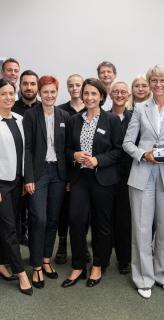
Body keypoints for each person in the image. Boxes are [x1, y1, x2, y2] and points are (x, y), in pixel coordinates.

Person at [123, 65, 164, 299]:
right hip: (142, 173)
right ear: (149, 84)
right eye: (154, 80)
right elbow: (128, 142)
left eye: (163, 80)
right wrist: (144, 154)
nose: (159, 84)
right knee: (141, 228)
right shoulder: (140, 108)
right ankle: (143, 277)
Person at [62, 78, 123, 288]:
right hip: (80, 179)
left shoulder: (112, 120)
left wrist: (99, 160)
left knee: (102, 224)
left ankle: (98, 264)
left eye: (93, 94)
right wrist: (75, 154)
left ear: (101, 96)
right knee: (76, 221)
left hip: (103, 179)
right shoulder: (74, 120)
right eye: (86, 93)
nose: (89, 97)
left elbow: (118, 150)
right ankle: (78, 265)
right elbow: (67, 150)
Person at [23, 75, 69, 289]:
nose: (49, 95)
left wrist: (67, 177)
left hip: (58, 174)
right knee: (38, 219)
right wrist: (29, 178)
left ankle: (46, 260)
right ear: (40, 93)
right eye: (45, 92)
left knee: (52, 219)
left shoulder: (64, 115)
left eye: (53, 91)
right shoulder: (31, 116)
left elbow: (66, 148)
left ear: (57, 93)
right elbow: (27, 148)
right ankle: (36, 266)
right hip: (39, 173)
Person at [0, 79, 32, 295]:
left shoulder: (20, 119)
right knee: (9, 228)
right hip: (1, 184)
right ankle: (21, 273)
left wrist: (24, 178)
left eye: (12, 93)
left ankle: (1, 263)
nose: (9, 97)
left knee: (13, 226)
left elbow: (26, 152)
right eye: (3, 94)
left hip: (17, 181)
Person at [54, 74, 88, 265]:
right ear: (67, 88)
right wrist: (66, 177)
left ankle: (81, 246)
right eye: (71, 85)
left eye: (78, 85)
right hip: (65, 169)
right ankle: (61, 245)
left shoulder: (90, 108)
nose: (75, 88)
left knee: (81, 213)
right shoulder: (61, 110)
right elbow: (61, 145)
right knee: (63, 210)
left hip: (85, 171)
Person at [12, 69, 40, 247]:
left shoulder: (45, 108)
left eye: (32, 84)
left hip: (37, 169)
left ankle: (34, 244)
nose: (28, 87)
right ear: (20, 86)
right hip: (14, 169)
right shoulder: (10, 107)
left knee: (37, 212)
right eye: (25, 83)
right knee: (15, 213)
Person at [109, 81, 132, 274]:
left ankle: (124, 259)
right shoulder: (104, 117)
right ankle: (103, 258)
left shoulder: (135, 116)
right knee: (105, 218)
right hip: (106, 174)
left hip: (128, 175)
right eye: (115, 91)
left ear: (128, 95)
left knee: (124, 219)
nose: (119, 94)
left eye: (123, 92)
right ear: (110, 94)